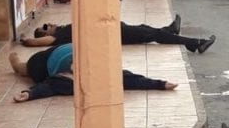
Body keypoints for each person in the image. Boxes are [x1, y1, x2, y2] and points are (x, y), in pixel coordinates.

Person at [9, 44, 178, 103]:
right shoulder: (66, 80)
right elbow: (46, 87)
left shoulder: (100, 71)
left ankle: (16, 61)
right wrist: (29, 93)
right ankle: (15, 61)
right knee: (23, 70)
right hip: (44, 60)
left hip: (60, 54)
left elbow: (129, 79)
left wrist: (160, 84)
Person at [20, 15, 216, 54]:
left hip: (116, 29)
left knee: (146, 29)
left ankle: (170, 30)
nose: (51, 24)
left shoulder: (62, 29)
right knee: (154, 34)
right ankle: (195, 43)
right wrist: (26, 40)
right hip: (115, 34)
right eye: (46, 27)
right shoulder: (59, 37)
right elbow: (35, 43)